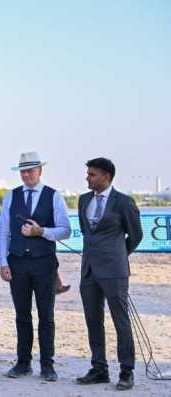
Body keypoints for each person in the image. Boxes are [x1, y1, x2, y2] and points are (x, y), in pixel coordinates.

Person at [0, 151, 71, 382]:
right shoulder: (11, 196)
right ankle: (23, 362)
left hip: (44, 264)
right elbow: (3, 232)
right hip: (17, 262)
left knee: (46, 316)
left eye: (31, 169)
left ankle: (47, 365)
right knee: (22, 315)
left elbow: (65, 230)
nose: (27, 174)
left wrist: (42, 232)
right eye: (24, 170)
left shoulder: (54, 196)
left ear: (40, 170)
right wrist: (3, 262)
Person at [75, 157, 142, 391]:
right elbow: (87, 233)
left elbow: (136, 235)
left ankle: (126, 371)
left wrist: (118, 256)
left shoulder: (124, 202)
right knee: (93, 321)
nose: (87, 178)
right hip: (89, 271)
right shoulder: (83, 200)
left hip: (115, 271)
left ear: (106, 176)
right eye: (88, 173)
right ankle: (99, 368)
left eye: (92, 174)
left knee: (120, 321)